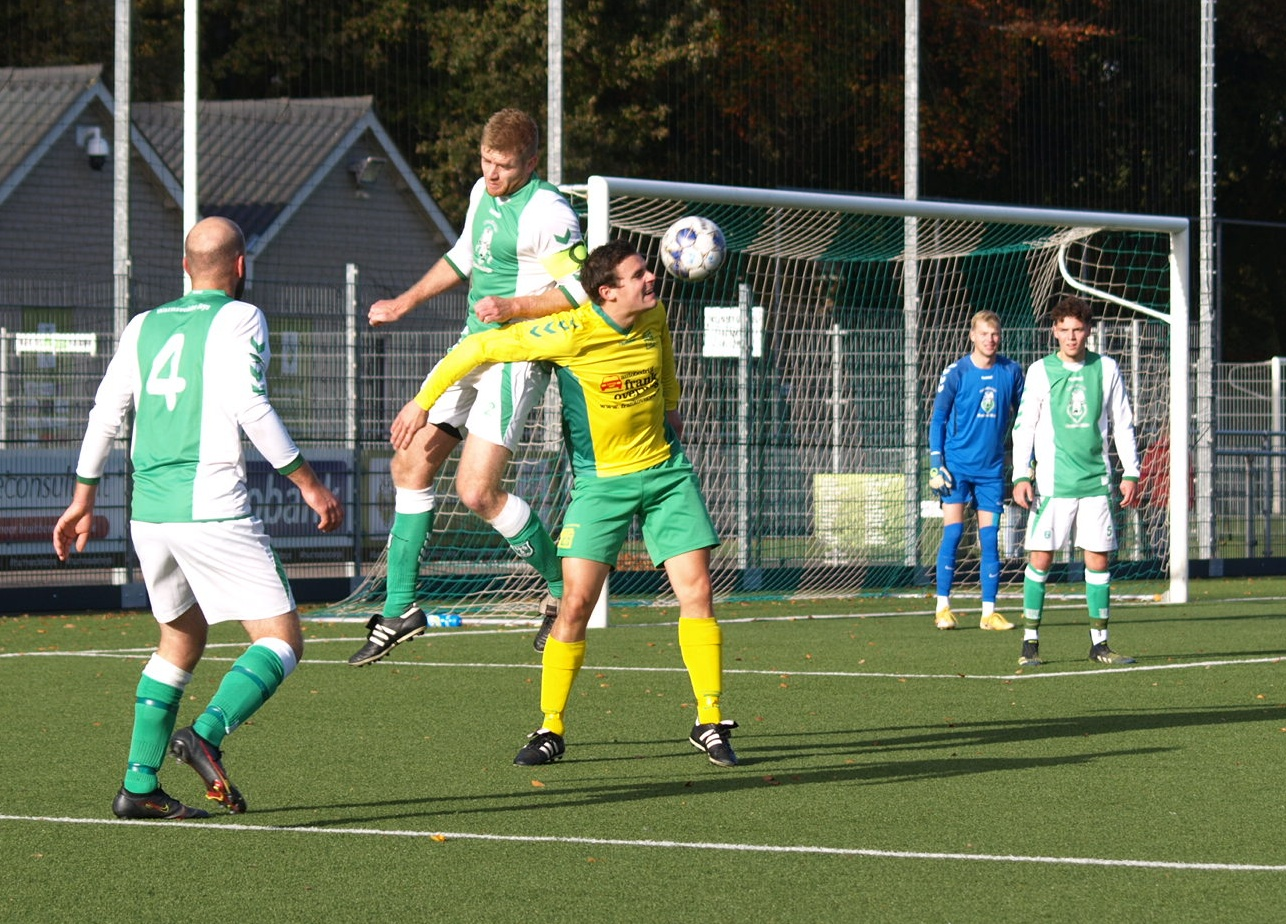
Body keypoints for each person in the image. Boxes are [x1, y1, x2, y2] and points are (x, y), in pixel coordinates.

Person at [389, 239, 738, 768]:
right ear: (605, 292)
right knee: (574, 605)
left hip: (667, 475)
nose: (652, 279)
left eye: (648, 270)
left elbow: (665, 364)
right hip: (600, 486)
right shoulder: (570, 332)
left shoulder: (655, 313)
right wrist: (421, 402)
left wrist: (670, 407)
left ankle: (709, 719)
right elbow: (477, 349)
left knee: (698, 593)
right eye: (639, 274)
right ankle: (550, 727)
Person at [53, 217, 343, 819]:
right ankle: (206, 733)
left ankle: (138, 786)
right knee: (282, 640)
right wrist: (310, 485)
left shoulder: (143, 325)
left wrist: (82, 498)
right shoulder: (240, 316)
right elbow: (248, 402)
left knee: (180, 639)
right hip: (212, 509)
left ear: (185, 268)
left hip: (150, 515)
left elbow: (105, 412)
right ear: (240, 266)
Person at [348, 108, 587, 666]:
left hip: (517, 357)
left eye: (504, 165)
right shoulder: (484, 192)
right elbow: (463, 257)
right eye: (486, 161)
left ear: (532, 162)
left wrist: (516, 306)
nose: (493, 173)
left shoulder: (548, 212)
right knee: (408, 462)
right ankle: (402, 608)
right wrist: (405, 301)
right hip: (473, 345)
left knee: (476, 493)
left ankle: (561, 590)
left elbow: (581, 289)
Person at [1010, 295, 1140, 667]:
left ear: (1088, 331)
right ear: (1054, 330)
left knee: (1098, 561)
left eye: (1078, 330)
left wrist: (1131, 470)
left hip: (1096, 483)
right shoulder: (1039, 371)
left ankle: (1100, 644)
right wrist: (1021, 473)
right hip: (1051, 485)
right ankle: (1030, 642)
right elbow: (1024, 427)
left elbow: (1123, 422)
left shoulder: (1107, 368)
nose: (1071, 337)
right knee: (1040, 559)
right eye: (1064, 329)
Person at [927, 310, 1025, 631]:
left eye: (994, 334)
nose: (990, 339)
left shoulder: (1011, 372)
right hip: (955, 467)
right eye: (984, 334)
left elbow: (1026, 417)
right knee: (954, 533)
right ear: (972, 336)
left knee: (989, 540)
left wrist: (1030, 460)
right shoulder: (956, 372)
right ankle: (943, 607)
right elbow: (938, 418)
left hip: (992, 470)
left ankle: (989, 613)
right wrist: (936, 463)